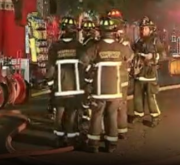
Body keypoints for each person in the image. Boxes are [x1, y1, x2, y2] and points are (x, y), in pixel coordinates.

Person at [81, 17, 133, 153]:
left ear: (101, 32)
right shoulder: (121, 47)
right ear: (113, 32)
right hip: (116, 90)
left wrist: (90, 71)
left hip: (99, 90)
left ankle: (94, 144)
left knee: (97, 115)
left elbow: (83, 60)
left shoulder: (96, 47)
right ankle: (111, 145)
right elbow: (131, 56)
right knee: (112, 115)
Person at [45, 16, 85, 148]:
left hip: (60, 89)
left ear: (62, 30)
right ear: (74, 31)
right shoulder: (79, 47)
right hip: (76, 89)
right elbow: (86, 66)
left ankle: (59, 139)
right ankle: (71, 140)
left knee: (59, 115)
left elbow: (50, 68)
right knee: (72, 116)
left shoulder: (55, 47)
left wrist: (50, 84)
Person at [130, 17, 163, 127]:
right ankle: (139, 115)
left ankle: (155, 117)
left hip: (150, 73)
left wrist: (153, 56)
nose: (142, 31)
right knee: (138, 96)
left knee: (150, 96)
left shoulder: (155, 41)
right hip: (139, 72)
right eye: (141, 28)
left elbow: (163, 55)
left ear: (151, 29)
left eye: (145, 29)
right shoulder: (139, 41)